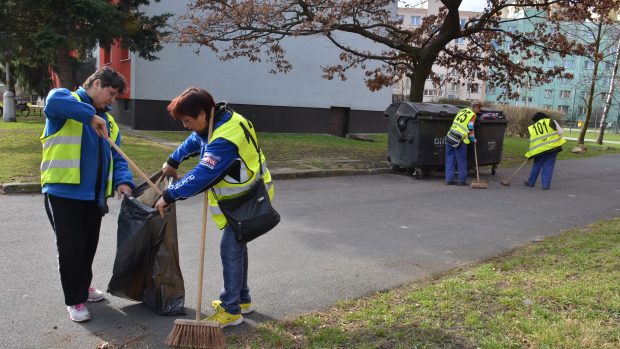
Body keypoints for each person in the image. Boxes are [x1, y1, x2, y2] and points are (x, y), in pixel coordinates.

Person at [154, 87, 274, 328]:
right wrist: (174, 159)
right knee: (238, 246)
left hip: (246, 199)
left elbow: (203, 174)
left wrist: (169, 195)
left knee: (230, 248)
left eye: (187, 120)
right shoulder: (217, 120)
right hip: (244, 197)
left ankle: (231, 310)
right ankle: (241, 300)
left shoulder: (225, 137)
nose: (186, 126)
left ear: (201, 114)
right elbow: (195, 139)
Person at [41, 67, 134, 322]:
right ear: (95, 83)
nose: (112, 100)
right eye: (111, 93)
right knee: (71, 247)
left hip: (94, 197)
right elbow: (53, 102)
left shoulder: (110, 122)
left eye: (116, 97)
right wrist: (90, 116)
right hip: (63, 193)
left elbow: (117, 156)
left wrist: (124, 181)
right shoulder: (65, 101)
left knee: (87, 246)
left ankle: (83, 286)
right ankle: (75, 299)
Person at [524, 111, 566, 189]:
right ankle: (546, 185)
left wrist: (530, 154)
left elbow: (532, 142)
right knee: (548, 166)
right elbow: (560, 132)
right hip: (552, 148)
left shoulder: (533, 127)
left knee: (536, 166)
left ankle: (531, 182)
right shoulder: (551, 121)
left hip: (539, 150)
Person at [444, 100, 482, 185]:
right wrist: (473, 139)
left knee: (450, 159)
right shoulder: (472, 115)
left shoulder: (461, 110)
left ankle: (449, 179)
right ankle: (462, 180)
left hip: (450, 136)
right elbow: (470, 128)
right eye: (479, 108)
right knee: (461, 161)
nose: (479, 110)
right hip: (460, 140)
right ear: (476, 107)